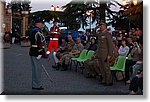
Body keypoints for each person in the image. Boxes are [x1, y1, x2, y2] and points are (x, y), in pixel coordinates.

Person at [29, 18, 46, 90]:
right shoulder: (37, 32)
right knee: (37, 69)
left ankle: (35, 84)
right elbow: (39, 44)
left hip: (33, 51)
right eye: (42, 24)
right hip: (37, 52)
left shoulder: (33, 31)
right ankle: (36, 85)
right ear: (38, 24)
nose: (43, 25)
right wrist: (41, 52)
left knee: (35, 69)